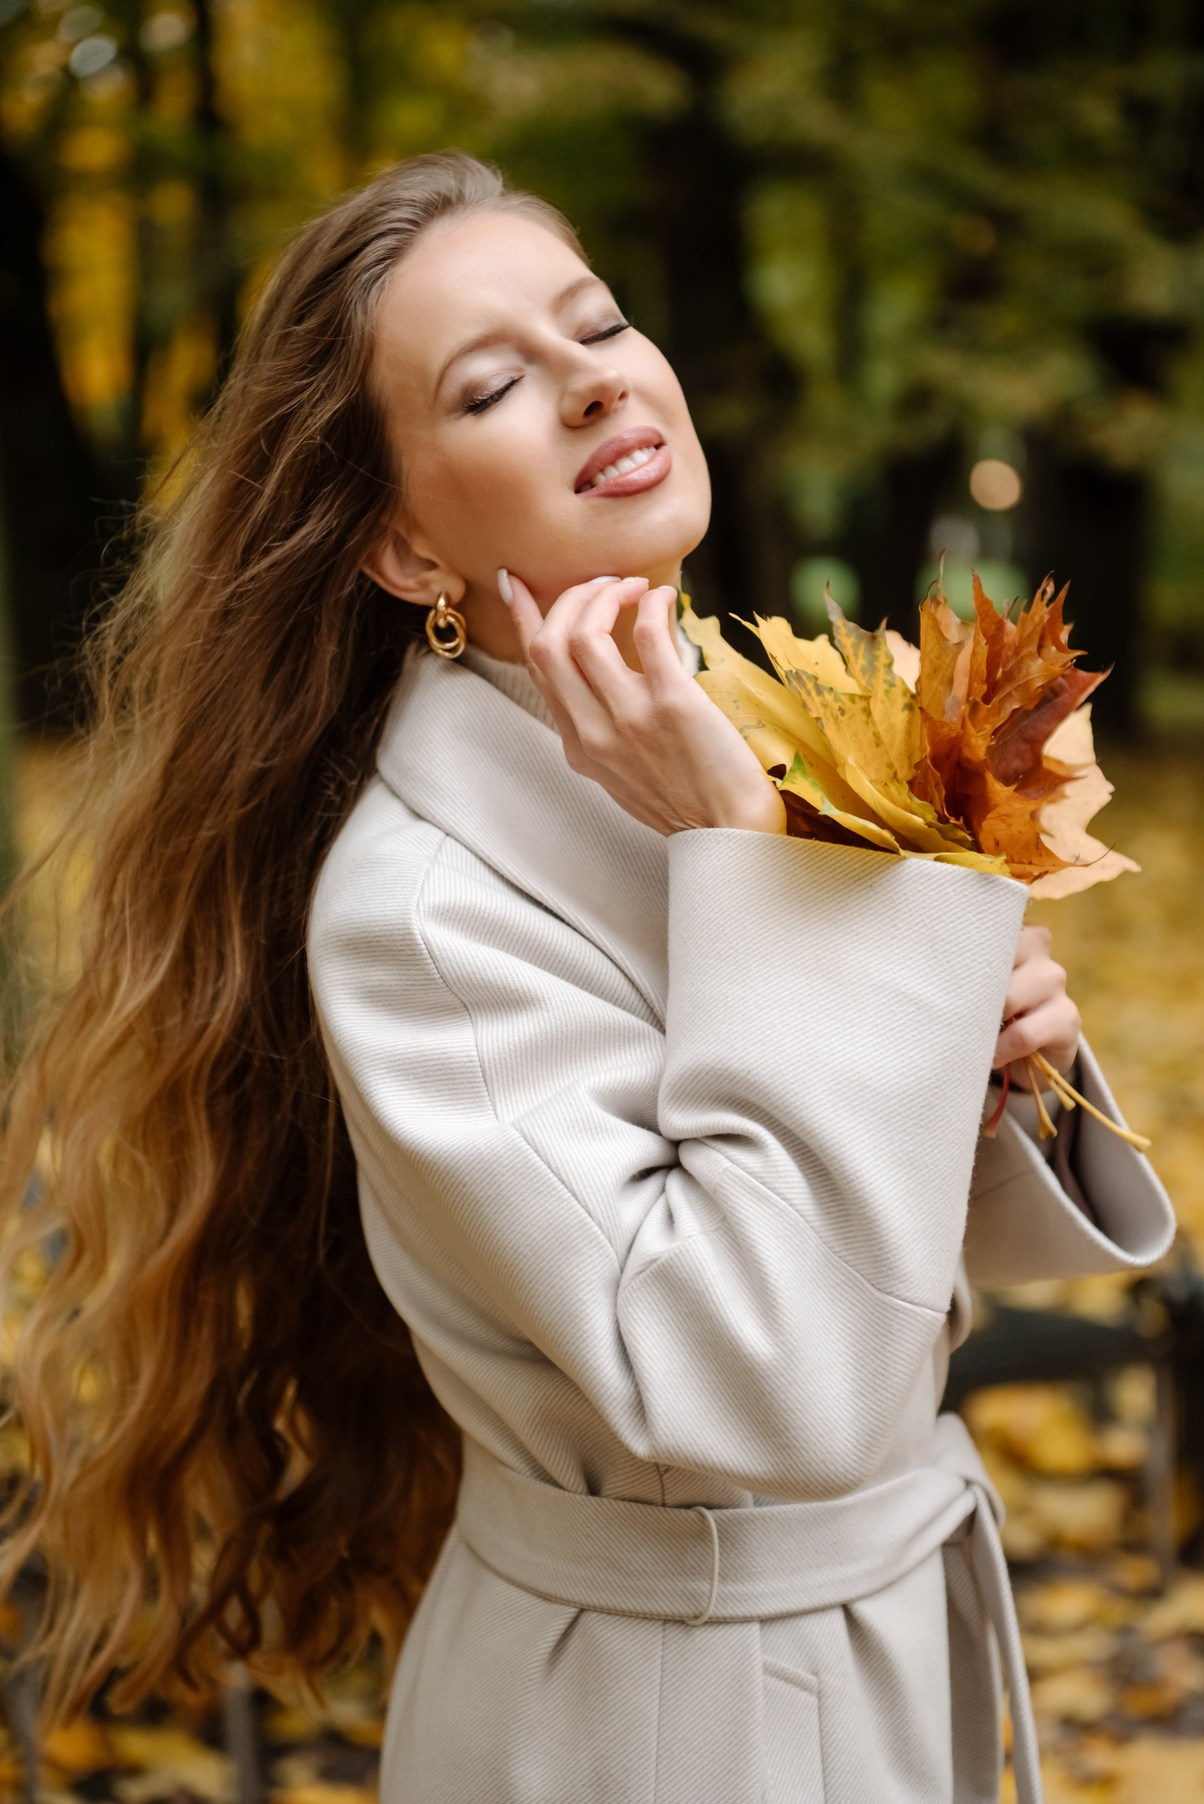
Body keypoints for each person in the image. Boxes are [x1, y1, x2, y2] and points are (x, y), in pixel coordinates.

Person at [0, 151, 1175, 1804]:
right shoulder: (418, 914)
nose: (593, 381)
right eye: (492, 385)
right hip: (674, 1714)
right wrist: (754, 873)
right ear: (406, 549)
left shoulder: (739, 719)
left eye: (598, 322)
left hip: (879, 1638)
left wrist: (987, 1082)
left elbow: (880, 1258)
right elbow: (775, 1379)